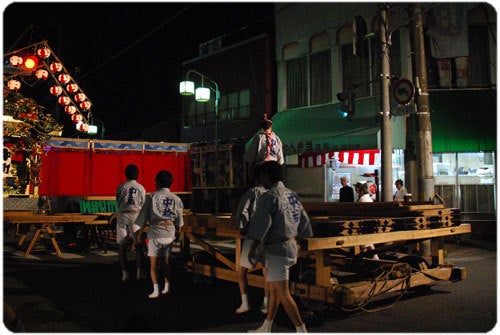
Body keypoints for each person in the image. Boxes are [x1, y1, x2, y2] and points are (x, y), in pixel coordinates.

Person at [247, 161, 313, 333]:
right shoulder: (292, 194)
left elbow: (261, 225)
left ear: (266, 176)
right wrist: (304, 240)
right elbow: (304, 220)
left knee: (282, 292)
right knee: (275, 290)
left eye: (262, 175)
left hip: (277, 249)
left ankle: (301, 330)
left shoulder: (269, 197)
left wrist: (253, 247)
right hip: (291, 245)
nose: (261, 179)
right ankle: (266, 326)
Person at [134, 170, 184, 299]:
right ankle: (167, 287)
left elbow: (143, 217)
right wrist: (179, 233)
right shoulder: (176, 198)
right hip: (169, 231)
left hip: (155, 231)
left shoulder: (152, 197)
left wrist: (139, 233)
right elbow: (180, 220)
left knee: (154, 264)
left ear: (158, 182)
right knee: (167, 262)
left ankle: (156, 289)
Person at [234, 163, 269, 314]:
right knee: (268, 273)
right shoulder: (274, 193)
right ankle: (266, 304)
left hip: (254, 235)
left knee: (242, 271)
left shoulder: (253, 192)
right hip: (270, 236)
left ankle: (245, 303)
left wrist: (241, 228)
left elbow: (242, 212)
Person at [115, 164, 146, 282]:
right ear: (137, 175)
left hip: (123, 215)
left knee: (122, 246)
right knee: (138, 246)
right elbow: (142, 203)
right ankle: (139, 273)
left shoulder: (121, 186)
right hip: (136, 215)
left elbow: (117, 202)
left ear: (126, 174)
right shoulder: (141, 188)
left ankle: (124, 274)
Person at [243, 114, 284, 181]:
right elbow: (280, 160)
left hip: (262, 166)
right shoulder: (276, 138)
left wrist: (249, 171)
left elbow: (250, 157)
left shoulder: (259, 137)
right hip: (272, 166)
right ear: (271, 125)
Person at [356, 182, 379, 260]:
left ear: (362, 191)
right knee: (367, 242)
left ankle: (371, 258)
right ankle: (368, 257)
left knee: (365, 242)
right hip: (370, 223)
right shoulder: (370, 199)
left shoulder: (362, 199)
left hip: (363, 224)